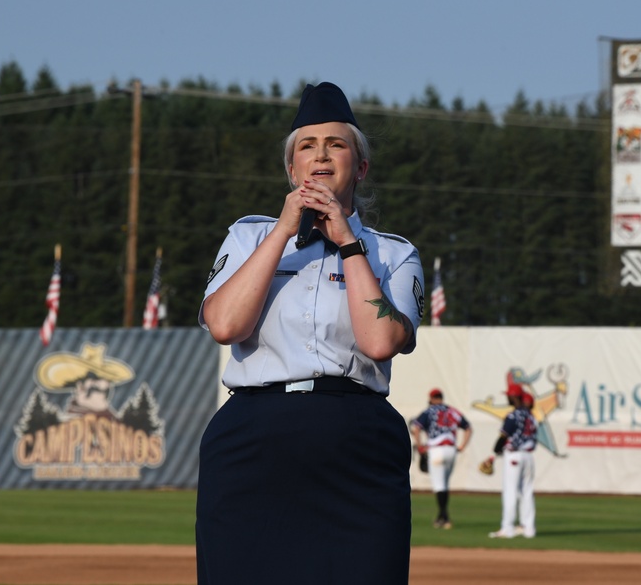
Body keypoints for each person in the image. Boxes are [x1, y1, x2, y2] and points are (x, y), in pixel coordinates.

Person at [195, 81, 426, 585]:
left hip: (357, 439)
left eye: (337, 144)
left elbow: (380, 342)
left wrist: (347, 242)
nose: (321, 155)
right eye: (307, 146)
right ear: (292, 168)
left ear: (360, 167)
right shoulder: (249, 235)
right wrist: (283, 230)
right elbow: (224, 324)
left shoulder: (392, 253)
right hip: (253, 436)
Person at [410, 387, 473, 529]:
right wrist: (462, 446)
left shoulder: (429, 411)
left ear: (431, 398)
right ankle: (442, 516)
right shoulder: (452, 411)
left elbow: (416, 428)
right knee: (444, 484)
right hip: (451, 450)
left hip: (436, 450)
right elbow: (468, 427)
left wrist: (420, 446)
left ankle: (444, 517)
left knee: (439, 486)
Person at [487, 384, 538, 539]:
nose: (507, 397)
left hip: (514, 456)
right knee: (527, 492)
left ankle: (507, 528)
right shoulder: (532, 417)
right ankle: (528, 528)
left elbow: (504, 436)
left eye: (509, 395)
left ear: (514, 397)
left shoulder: (513, 415)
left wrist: (496, 450)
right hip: (528, 456)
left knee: (510, 491)